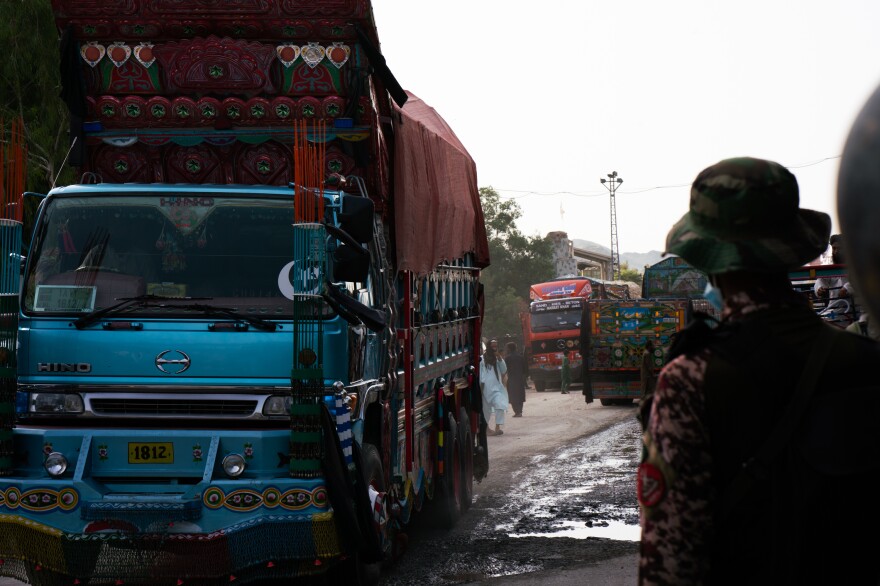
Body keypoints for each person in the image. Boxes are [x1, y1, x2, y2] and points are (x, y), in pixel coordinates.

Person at [638, 157, 880, 585]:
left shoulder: (690, 379)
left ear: (711, 261)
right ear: (790, 249)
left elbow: (671, 559)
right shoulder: (864, 361)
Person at [480, 345, 508, 436]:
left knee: (500, 406)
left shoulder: (497, 359)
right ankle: (487, 429)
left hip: (497, 389)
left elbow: (504, 370)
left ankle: (497, 426)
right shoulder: (481, 359)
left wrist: (499, 358)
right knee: (485, 411)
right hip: (485, 389)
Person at [813, 234, 852, 299]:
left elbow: (861, 280)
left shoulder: (853, 266)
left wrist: (846, 288)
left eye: (840, 248)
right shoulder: (830, 267)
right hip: (833, 306)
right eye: (834, 248)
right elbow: (821, 280)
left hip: (852, 307)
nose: (836, 251)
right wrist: (819, 288)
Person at [504, 341, 528, 417]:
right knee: (520, 395)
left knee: (512, 395)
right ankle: (520, 411)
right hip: (520, 379)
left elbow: (504, 369)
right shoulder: (520, 357)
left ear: (509, 349)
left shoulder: (507, 358)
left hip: (511, 379)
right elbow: (525, 368)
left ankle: (517, 411)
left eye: (507, 348)